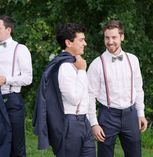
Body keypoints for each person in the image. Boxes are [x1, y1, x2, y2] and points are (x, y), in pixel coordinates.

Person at [33, 23, 96, 157]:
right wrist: (82, 71)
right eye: (81, 40)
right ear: (68, 42)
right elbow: (74, 99)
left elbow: (86, 96)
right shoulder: (64, 66)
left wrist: (90, 120)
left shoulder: (76, 62)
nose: (85, 43)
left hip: (84, 121)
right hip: (70, 124)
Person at [87, 20, 148, 157]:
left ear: (122, 37)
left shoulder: (133, 60)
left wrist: (140, 113)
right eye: (107, 37)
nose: (110, 41)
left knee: (135, 154)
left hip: (131, 114)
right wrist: (94, 124)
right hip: (107, 116)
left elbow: (138, 88)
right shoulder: (96, 64)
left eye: (114, 37)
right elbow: (89, 96)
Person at [0, 15, 33, 157]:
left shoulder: (20, 49)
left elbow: (28, 78)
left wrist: (6, 79)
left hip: (12, 100)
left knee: (16, 142)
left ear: (8, 29)